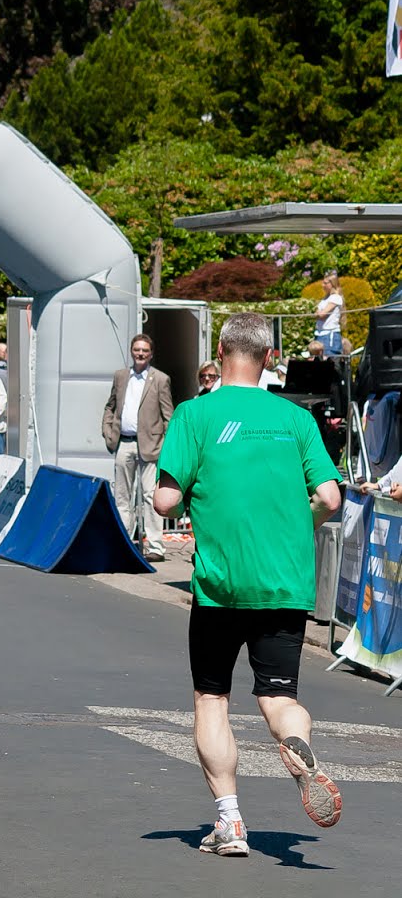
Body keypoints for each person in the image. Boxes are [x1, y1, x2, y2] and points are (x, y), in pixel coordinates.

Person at [153, 312, 343, 857]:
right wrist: (297, 525)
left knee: (211, 698)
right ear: (267, 358)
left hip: (221, 585)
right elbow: (330, 498)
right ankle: (294, 742)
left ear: (220, 351)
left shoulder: (196, 414)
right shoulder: (295, 418)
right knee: (280, 695)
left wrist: (187, 494)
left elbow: (166, 500)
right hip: (285, 582)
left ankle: (230, 822)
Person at [102, 334, 173, 562]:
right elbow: (110, 406)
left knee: (151, 497)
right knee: (122, 496)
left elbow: (168, 416)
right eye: (136, 350)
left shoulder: (160, 379)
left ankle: (155, 547)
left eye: (144, 350)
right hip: (124, 442)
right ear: (131, 352)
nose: (140, 354)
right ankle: (122, 542)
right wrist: (108, 430)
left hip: (150, 447)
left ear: (151, 354)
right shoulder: (121, 376)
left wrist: (164, 445)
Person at [315, 273, 344, 357]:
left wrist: (319, 314)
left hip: (329, 335)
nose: (322, 285)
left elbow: (322, 315)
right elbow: (316, 313)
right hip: (320, 334)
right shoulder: (325, 299)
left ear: (332, 284)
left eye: (325, 283)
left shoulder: (335, 298)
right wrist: (318, 314)